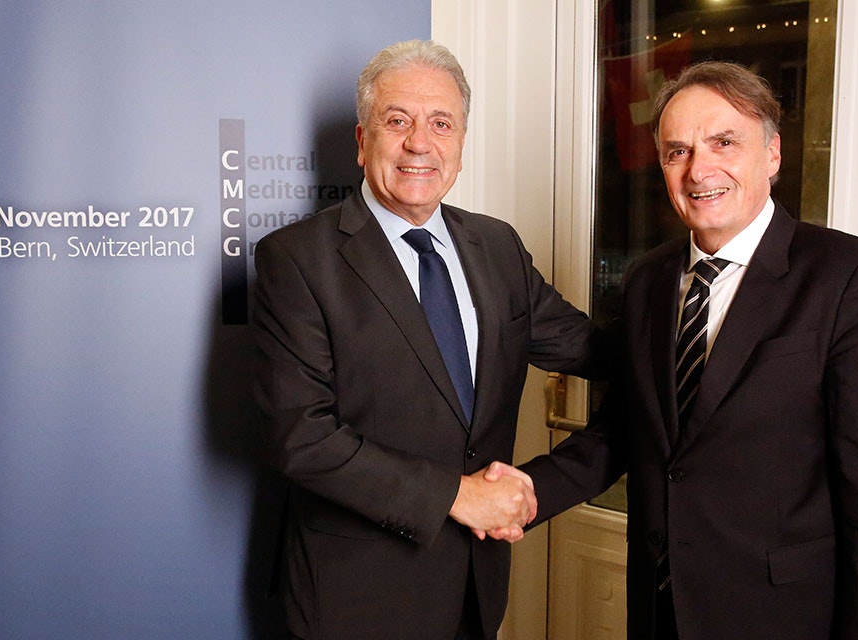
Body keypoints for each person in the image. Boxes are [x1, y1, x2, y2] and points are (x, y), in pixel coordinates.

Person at [499, 61, 858, 639]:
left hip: (786, 618)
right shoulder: (649, 280)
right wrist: (523, 494)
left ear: (772, 155)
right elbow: (627, 432)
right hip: (661, 612)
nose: (699, 169)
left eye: (724, 142)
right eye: (678, 151)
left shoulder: (852, 277)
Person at [251, 39, 598, 640]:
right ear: (362, 142)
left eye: (442, 123)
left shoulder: (498, 247)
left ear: (461, 143)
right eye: (397, 121)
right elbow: (300, 437)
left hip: (475, 585)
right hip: (354, 600)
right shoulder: (297, 259)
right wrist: (455, 497)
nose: (420, 142)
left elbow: (599, 351)